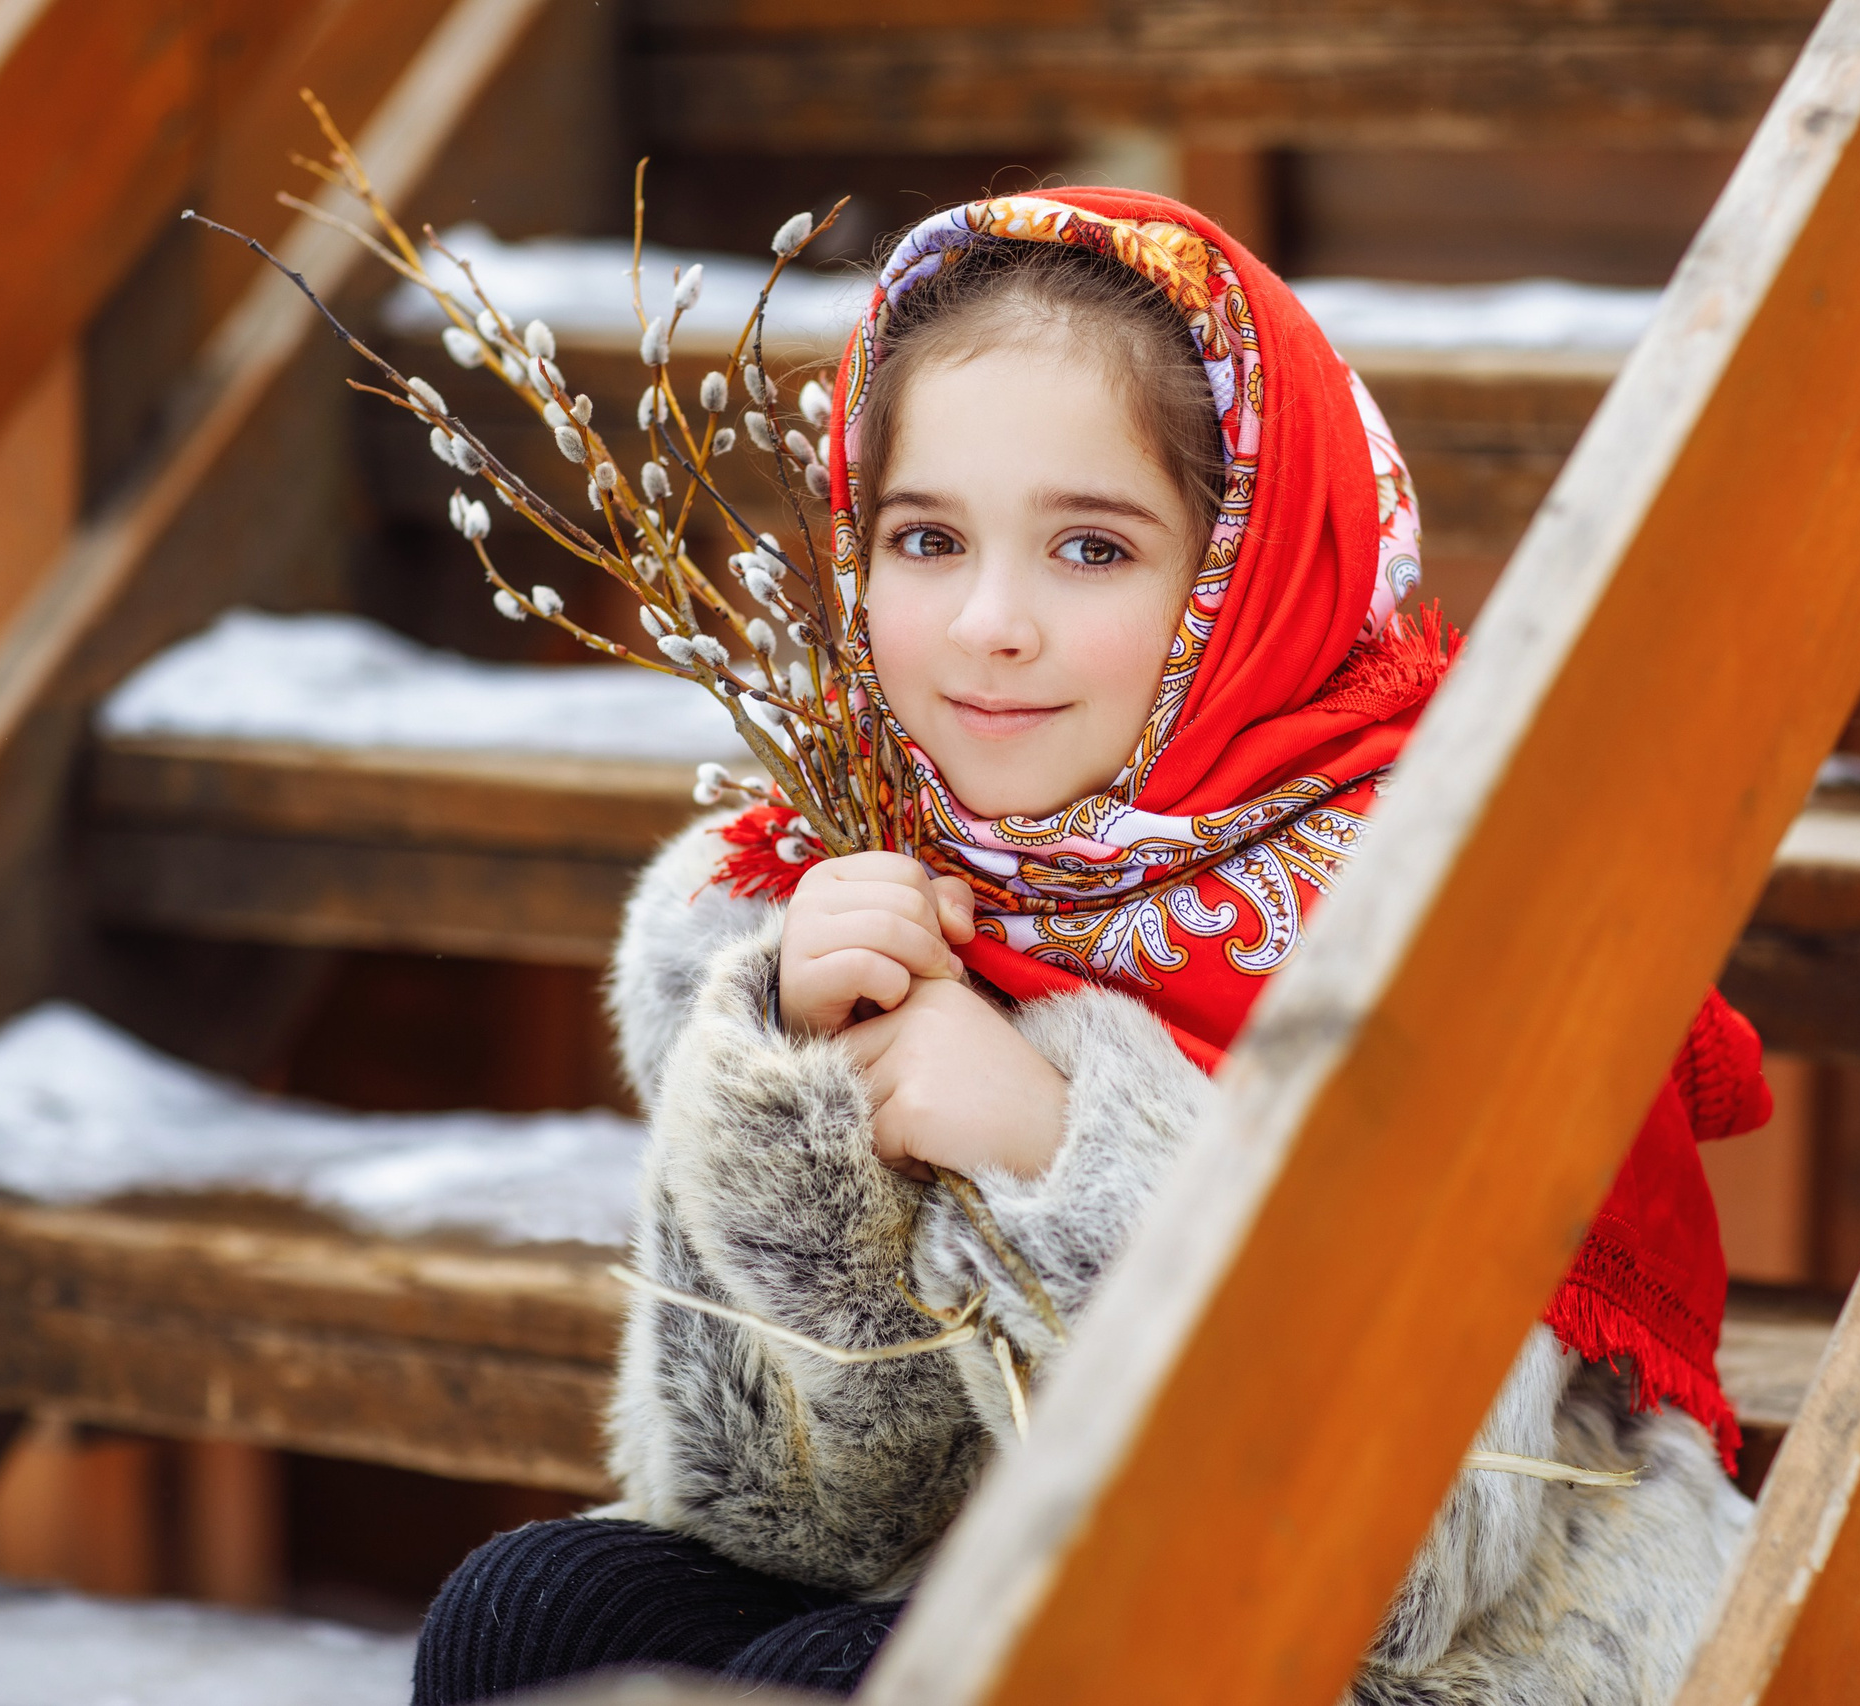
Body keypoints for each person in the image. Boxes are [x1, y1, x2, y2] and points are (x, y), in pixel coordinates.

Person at [412, 189, 1771, 1705]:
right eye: (927, 538)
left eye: (1091, 549)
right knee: (527, 1614)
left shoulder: (1443, 921)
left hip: (1431, 1632)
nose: (992, 621)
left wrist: (1062, 1143)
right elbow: (785, 1511)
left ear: (1253, 570)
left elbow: (1403, 1564)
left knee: (859, 1671)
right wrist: (798, 1090)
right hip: (975, 1567)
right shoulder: (824, 877)